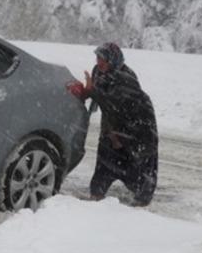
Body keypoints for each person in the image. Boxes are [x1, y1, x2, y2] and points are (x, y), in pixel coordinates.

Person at [68, 42, 158, 206]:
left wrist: (91, 91)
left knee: (139, 165)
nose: (99, 62)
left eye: (104, 59)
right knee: (106, 159)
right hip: (112, 124)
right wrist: (83, 92)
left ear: (114, 60)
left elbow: (114, 102)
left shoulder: (125, 78)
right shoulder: (99, 72)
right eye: (98, 58)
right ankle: (97, 195)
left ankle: (142, 202)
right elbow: (99, 95)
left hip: (138, 126)